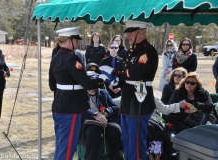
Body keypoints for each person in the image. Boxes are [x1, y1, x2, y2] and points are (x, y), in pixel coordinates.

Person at [100, 20, 159, 160]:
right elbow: (125, 72)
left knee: (136, 139)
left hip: (139, 100)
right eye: (128, 33)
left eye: (131, 32)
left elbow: (135, 73)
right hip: (127, 99)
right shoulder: (131, 51)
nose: (128, 36)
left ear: (141, 31)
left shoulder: (148, 51)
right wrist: (113, 81)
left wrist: (114, 72)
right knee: (126, 138)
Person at [49, 26, 106, 160]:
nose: (78, 43)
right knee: (68, 149)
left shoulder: (55, 57)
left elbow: (52, 85)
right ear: (69, 40)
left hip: (59, 105)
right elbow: (86, 83)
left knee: (61, 147)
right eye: (76, 40)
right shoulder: (72, 59)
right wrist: (101, 81)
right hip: (71, 108)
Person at [80, 65, 122, 160]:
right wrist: (95, 115)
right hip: (88, 123)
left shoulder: (103, 92)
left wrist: (106, 112)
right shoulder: (80, 93)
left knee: (116, 130)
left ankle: (114, 158)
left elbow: (114, 107)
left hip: (105, 120)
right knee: (95, 132)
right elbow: (79, 110)